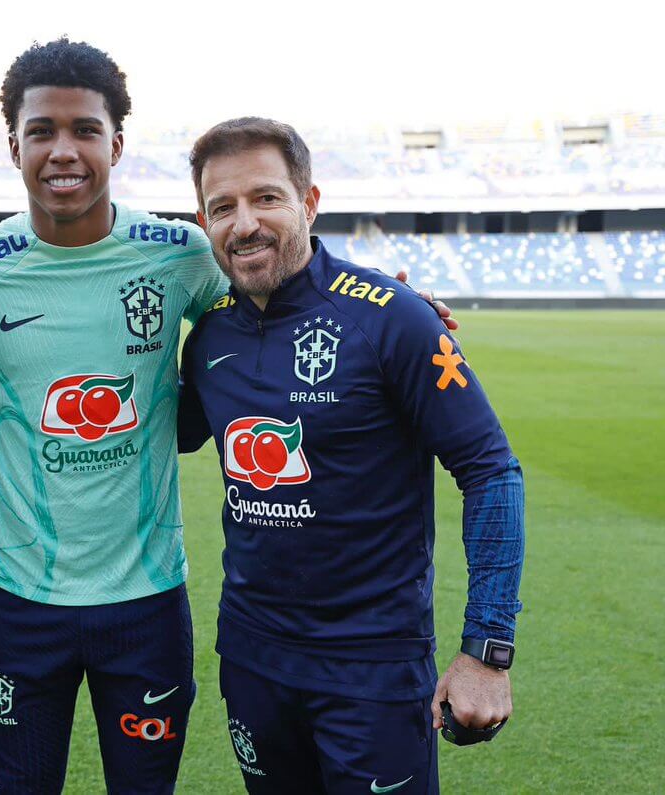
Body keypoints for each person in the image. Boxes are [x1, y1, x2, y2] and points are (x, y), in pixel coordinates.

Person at [0, 40, 453, 793]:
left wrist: (388, 306)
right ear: (14, 145)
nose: (63, 150)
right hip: (18, 598)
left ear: (117, 144)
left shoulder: (182, 253)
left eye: (85, 130)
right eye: (42, 131)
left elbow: (276, 303)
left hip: (146, 601)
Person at [177, 117, 525, 793]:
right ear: (204, 221)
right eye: (224, 207)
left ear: (308, 202)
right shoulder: (210, 335)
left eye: (266, 198)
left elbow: (490, 468)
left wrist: (487, 648)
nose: (245, 222)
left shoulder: (391, 317)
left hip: (373, 669)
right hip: (251, 659)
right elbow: (163, 430)